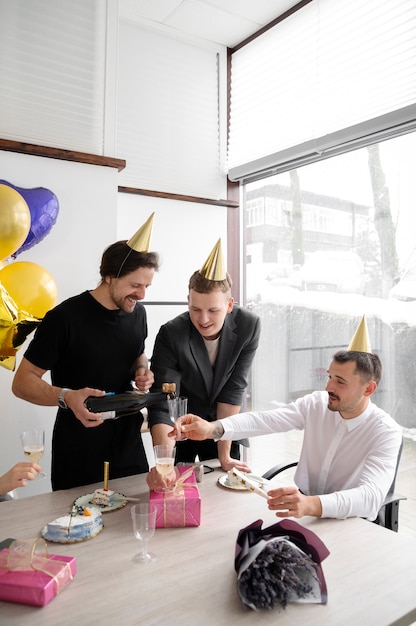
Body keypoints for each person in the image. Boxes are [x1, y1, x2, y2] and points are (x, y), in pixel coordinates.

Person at [172, 316, 403, 521]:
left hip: (350, 522)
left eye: (340, 381)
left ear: (369, 389)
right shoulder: (316, 403)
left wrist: (311, 505)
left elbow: (371, 496)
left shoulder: (385, 432)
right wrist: (212, 428)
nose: (328, 386)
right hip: (303, 511)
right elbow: (265, 420)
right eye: (330, 376)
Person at [12, 214, 158, 490]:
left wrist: (142, 369)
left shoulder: (138, 314)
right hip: (79, 448)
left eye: (147, 286)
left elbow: (137, 351)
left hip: (128, 442)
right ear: (109, 276)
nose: (142, 295)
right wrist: (66, 396)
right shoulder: (64, 318)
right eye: (135, 285)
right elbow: (22, 382)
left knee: (132, 521)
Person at [147, 239, 260, 489]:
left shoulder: (248, 326)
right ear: (188, 300)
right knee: (174, 490)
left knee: (224, 495)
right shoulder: (171, 333)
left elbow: (233, 390)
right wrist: (163, 463)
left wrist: (224, 456)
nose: (203, 319)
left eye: (213, 310)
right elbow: (164, 401)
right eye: (195, 309)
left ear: (230, 305)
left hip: (223, 429)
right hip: (180, 429)